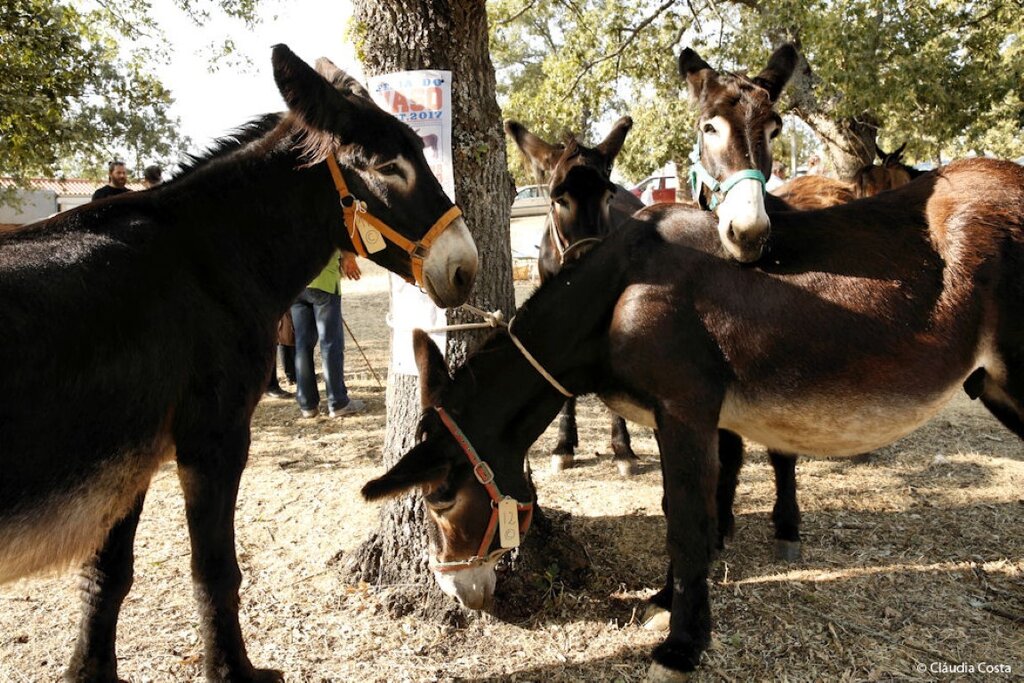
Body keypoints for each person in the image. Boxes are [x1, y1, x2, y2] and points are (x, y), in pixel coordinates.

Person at [291, 250, 365, 418]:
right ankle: (337, 402)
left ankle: (307, 405)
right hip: (324, 279)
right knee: (331, 343)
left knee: (302, 344)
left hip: (297, 283)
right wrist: (348, 256)